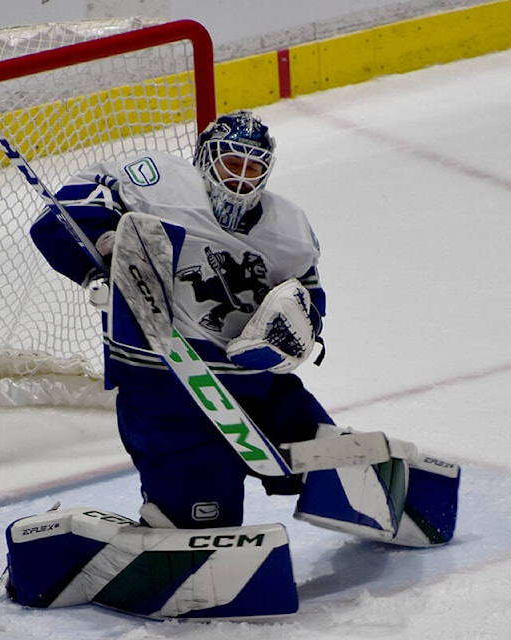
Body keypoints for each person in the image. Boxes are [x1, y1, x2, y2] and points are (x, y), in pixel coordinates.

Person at [28, 110, 335, 530]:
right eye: (232, 162)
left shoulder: (289, 228)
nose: (241, 178)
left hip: (253, 383)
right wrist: (104, 253)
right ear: (206, 157)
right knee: (203, 524)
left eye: (253, 167)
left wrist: (299, 326)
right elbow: (58, 218)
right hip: (163, 387)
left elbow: (310, 297)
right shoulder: (157, 183)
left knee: (331, 459)